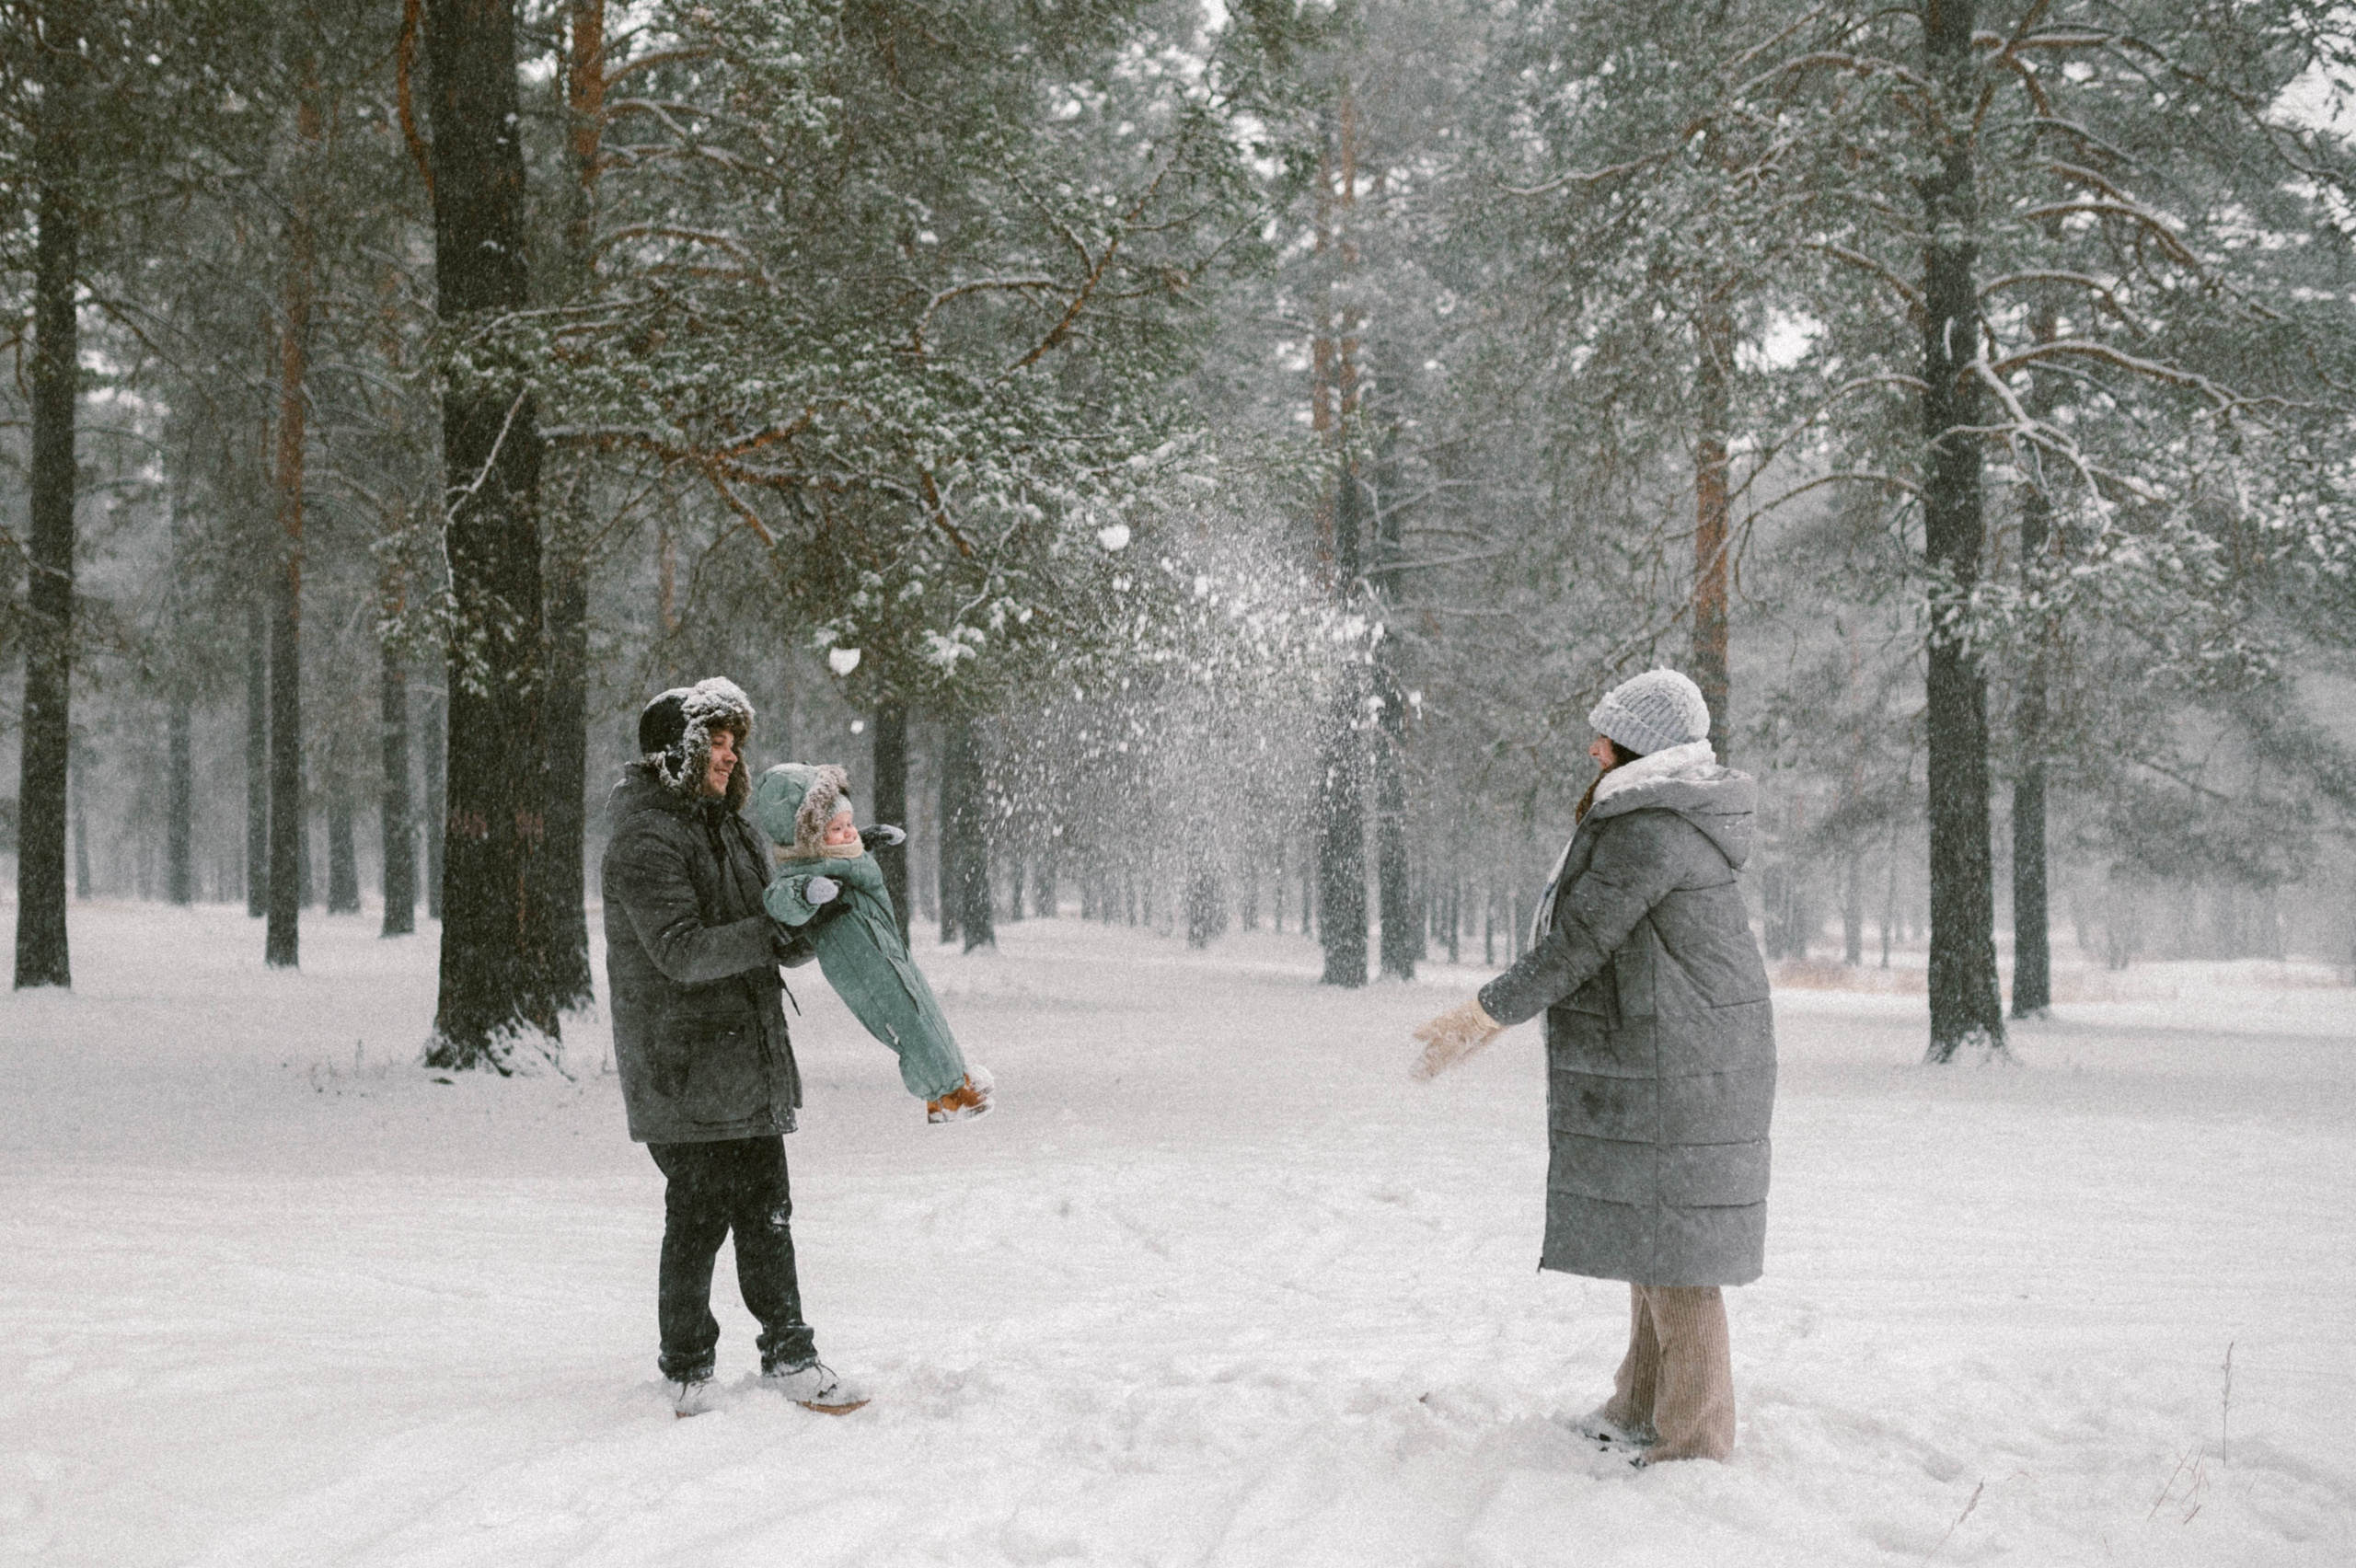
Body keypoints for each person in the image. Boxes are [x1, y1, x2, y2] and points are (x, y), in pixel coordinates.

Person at [1410, 667, 1774, 1465]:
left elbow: (1577, 945)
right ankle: (1639, 1405)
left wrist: (1484, 1013)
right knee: (1655, 1239)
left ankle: (1696, 1442)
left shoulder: (1651, 829)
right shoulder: (1650, 814)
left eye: (1604, 734)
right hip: (1673, 1051)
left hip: (1685, 1060)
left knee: (1678, 1257)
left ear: (1637, 747)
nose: (1592, 746)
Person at [600, 677, 869, 1418]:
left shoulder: (737, 830)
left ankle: (791, 1353)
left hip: (747, 1055)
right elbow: (681, 953)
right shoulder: (645, 839)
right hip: (681, 1062)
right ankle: (687, 1366)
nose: (727, 757)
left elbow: (770, 933)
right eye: (713, 743)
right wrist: (773, 928)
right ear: (675, 753)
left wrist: (825, 891)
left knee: (768, 1209)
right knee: (700, 1213)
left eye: (731, 744)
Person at [752, 763, 993, 1123]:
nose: (848, 833)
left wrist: (867, 838)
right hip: (864, 969)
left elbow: (844, 863)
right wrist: (807, 892)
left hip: (887, 951)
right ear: (809, 837)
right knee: (904, 1023)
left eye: (850, 824)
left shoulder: (841, 857)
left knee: (924, 1008)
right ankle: (944, 1093)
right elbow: (778, 899)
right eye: (838, 828)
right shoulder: (801, 872)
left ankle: (953, 1075)